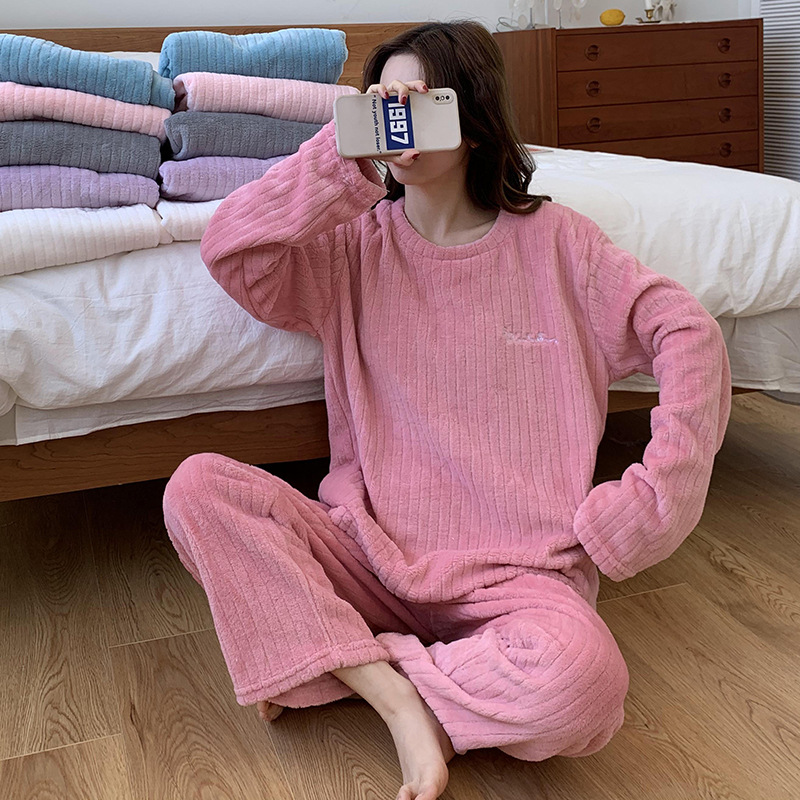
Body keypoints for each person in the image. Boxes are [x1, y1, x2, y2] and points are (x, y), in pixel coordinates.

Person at [162, 19, 732, 800]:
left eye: (421, 99)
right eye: (384, 102)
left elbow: (689, 333)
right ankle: (401, 701)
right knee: (197, 487)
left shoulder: (561, 245)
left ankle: (338, 662)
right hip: (365, 555)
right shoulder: (348, 251)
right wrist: (341, 156)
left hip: (519, 578)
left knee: (583, 683)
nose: (400, 117)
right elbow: (233, 248)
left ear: (473, 117)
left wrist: (649, 507)